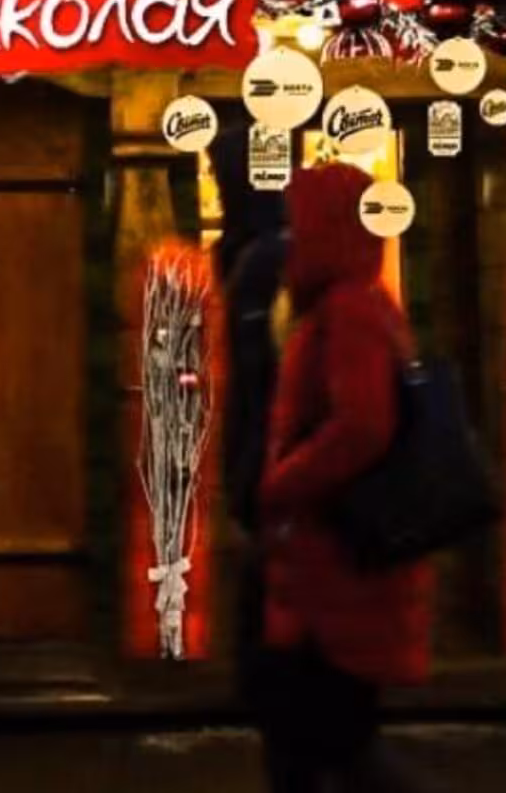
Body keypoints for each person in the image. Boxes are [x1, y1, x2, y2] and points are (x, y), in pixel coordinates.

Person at [256, 164, 432, 792]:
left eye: (298, 222)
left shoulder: (348, 309)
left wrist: (281, 484)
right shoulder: (354, 301)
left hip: (335, 570)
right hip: (326, 568)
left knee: (328, 745)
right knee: (323, 745)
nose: (290, 236)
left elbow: (361, 427)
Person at [207, 126, 288, 722]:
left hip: (269, 456)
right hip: (264, 451)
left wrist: (250, 469)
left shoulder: (263, 260)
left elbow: (261, 376)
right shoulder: (259, 251)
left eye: (221, 174)